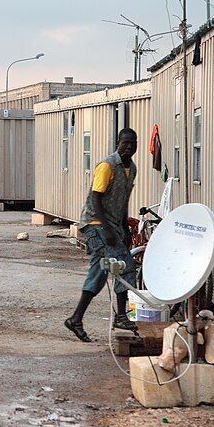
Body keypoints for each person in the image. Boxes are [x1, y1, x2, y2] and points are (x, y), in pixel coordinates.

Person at [65, 128, 139, 342]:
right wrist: (107, 229)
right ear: (118, 143)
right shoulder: (107, 165)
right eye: (125, 143)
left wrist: (124, 227)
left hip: (112, 225)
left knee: (98, 273)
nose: (129, 147)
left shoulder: (131, 169)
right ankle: (122, 316)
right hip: (96, 223)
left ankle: (75, 319)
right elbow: (96, 198)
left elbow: (123, 200)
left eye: (133, 144)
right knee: (125, 265)